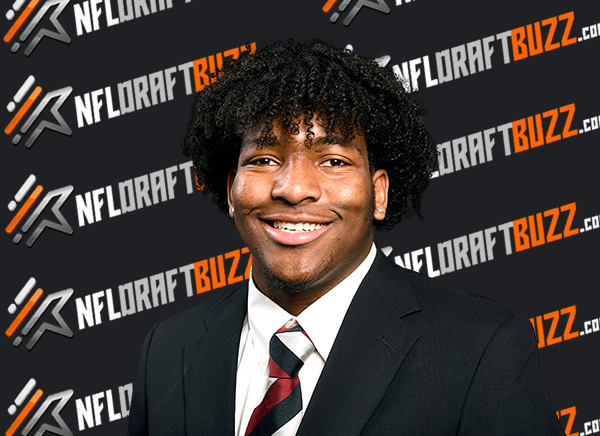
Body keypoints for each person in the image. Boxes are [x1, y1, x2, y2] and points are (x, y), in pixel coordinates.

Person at [127, 41, 564, 435]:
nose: (293, 188)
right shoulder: (167, 350)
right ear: (230, 189)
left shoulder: (480, 349)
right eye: (263, 157)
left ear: (378, 193)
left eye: (333, 161)